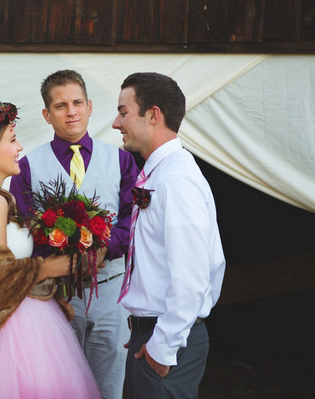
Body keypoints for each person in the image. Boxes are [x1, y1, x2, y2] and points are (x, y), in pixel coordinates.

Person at [0, 99, 101, 399]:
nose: (20, 148)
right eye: (13, 140)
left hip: (13, 317)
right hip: (14, 330)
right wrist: (48, 267)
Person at [9, 69, 138, 399]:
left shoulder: (123, 161)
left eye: (77, 102)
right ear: (47, 114)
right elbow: (24, 226)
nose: (71, 112)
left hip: (111, 292)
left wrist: (105, 250)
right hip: (57, 296)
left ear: (91, 106)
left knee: (109, 387)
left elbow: (131, 219)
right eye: (61, 105)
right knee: (60, 387)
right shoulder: (26, 167)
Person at [112, 72, 226, 399]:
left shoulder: (176, 179)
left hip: (167, 346)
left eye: (123, 112)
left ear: (153, 115)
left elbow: (191, 275)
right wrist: (140, 328)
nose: (116, 123)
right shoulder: (160, 173)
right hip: (150, 336)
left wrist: (160, 347)